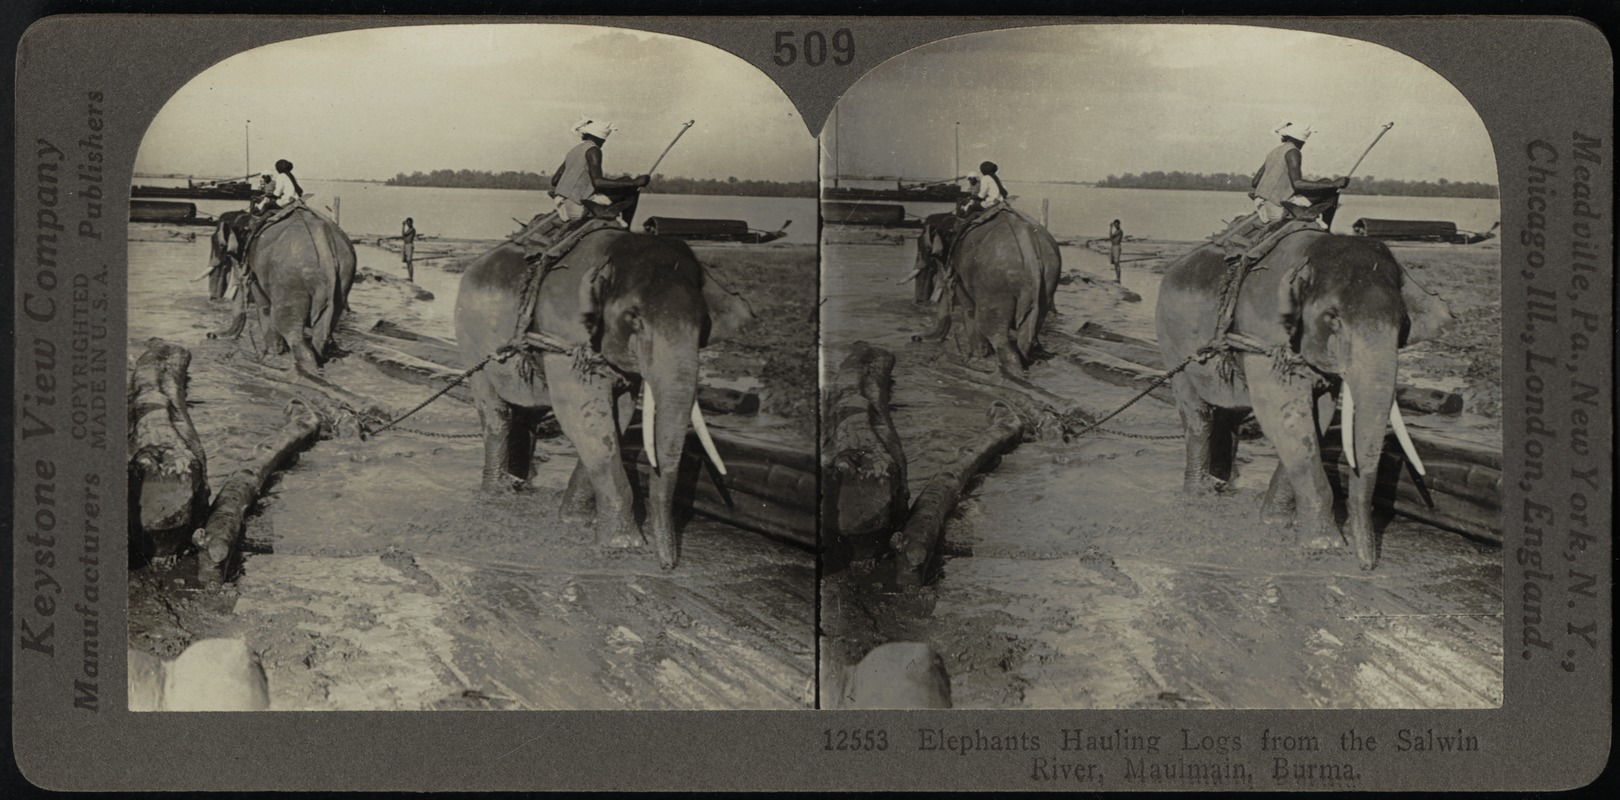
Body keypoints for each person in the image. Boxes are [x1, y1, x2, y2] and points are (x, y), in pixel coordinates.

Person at [550, 118, 649, 223]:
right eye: (604, 140)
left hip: (562, 205)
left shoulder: (574, 150)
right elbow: (598, 182)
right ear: (601, 139)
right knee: (632, 187)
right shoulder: (594, 150)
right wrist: (634, 182)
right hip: (576, 209)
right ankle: (626, 227)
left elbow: (555, 181)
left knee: (625, 180)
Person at [1250, 123, 1348, 223]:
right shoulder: (1293, 152)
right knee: (1329, 187)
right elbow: (1297, 184)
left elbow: (1254, 182)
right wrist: (1333, 184)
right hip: (1276, 210)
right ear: (1299, 141)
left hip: (1261, 206)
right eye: (1303, 142)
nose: (1303, 145)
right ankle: (1326, 229)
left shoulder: (1274, 152)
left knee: (1324, 182)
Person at [400, 217, 417, 282]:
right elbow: (403, 235)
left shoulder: (412, 229)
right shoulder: (408, 230)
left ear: (411, 223)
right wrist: (403, 227)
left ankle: (411, 277)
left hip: (409, 245)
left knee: (409, 261)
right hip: (406, 245)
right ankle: (409, 276)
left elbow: (404, 234)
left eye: (408, 222)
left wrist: (403, 226)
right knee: (407, 261)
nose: (407, 224)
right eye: (407, 223)